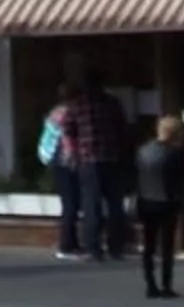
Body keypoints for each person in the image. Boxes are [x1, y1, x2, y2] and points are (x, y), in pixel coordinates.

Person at [135, 113, 184, 297]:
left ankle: (150, 284)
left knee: (149, 245)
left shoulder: (143, 151)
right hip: (167, 202)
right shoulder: (176, 154)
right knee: (167, 247)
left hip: (146, 201)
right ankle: (166, 285)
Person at [85, 80, 133, 260]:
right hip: (112, 158)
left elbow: (67, 129)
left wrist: (76, 152)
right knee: (115, 204)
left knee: (92, 204)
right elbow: (123, 128)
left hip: (89, 160)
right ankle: (116, 246)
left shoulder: (80, 105)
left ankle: (93, 247)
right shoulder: (113, 103)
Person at [40, 85, 87, 259]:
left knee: (70, 203)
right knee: (70, 204)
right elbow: (67, 140)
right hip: (65, 162)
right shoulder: (68, 114)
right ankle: (66, 246)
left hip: (55, 161)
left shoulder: (56, 112)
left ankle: (71, 243)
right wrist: (74, 160)